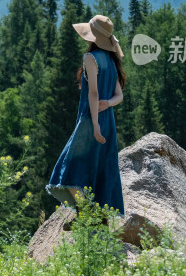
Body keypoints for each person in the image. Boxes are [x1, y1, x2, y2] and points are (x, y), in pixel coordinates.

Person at [46, 14, 126, 225]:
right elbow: (119, 96)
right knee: (100, 168)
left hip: (90, 122)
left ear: (92, 38)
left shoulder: (90, 59)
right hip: (108, 122)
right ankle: (96, 216)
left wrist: (95, 124)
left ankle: (85, 214)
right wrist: (106, 105)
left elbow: (93, 93)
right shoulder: (110, 61)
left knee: (70, 168)